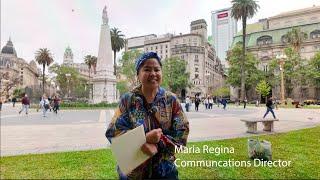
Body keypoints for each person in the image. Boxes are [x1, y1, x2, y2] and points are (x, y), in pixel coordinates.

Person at [105, 52, 189, 179]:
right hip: (133, 173)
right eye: (147, 69)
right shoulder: (128, 100)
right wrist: (144, 139)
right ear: (138, 75)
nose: (153, 73)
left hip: (165, 171)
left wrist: (158, 143)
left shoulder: (171, 100)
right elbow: (113, 133)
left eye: (157, 69)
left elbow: (182, 132)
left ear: (161, 73)